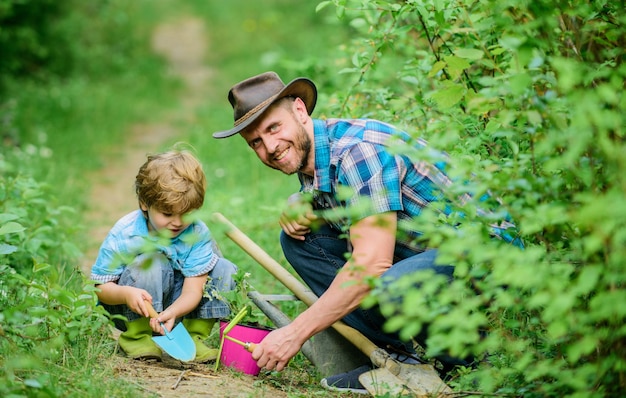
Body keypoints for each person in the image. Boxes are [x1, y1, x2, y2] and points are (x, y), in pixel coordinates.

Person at [212, 71, 521, 393]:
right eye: (256, 142)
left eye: (274, 128)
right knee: (303, 241)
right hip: (431, 252)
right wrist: (300, 199)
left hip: (490, 256)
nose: (271, 147)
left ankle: (469, 361)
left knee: (387, 283)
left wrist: (293, 333)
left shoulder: (359, 151)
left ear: (300, 111)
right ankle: (398, 358)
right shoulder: (316, 154)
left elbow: (371, 263)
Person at [90, 148, 237, 362]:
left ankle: (193, 336)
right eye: (167, 214)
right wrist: (126, 294)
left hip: (177, 311)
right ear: (144, 204)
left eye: (186, 214)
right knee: (152, 262)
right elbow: (101, 287)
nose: (177, 222)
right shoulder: (126, 233)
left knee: (224, 268)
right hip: (131, 310)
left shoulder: (195, 232)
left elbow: (194, 289)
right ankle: (137, 337)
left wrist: (174, 312)